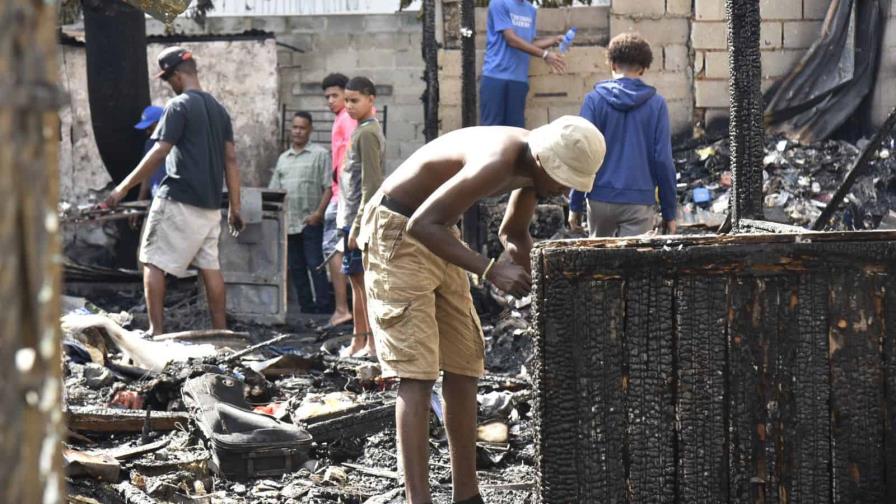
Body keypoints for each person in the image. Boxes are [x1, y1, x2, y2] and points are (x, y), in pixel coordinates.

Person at [357, 116, 605, 504]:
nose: (562, 189)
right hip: (398, 230)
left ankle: (467, 495)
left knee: (465, 363)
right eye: (561, 179)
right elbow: (421, 225)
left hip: (441, 232)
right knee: (418, 373)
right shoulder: (499, 159)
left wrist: (540, 280)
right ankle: (418, 499)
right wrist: (492, 270)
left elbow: (514, 233)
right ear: (543, 160)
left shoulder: (533, 171)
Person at [104, 46, 244, 335]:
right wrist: (235, 207)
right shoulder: (220, 111)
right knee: (210, 267)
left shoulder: (178, 106)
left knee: (151, 261)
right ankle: (221, 333)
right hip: (210, 206)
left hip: (178, 197)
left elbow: (159, 151)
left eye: (168, 79)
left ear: (177, 76)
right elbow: (231, 159)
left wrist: (122, 188)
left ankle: (155, 332)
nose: (169, 85)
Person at [568, 33, 677, 237]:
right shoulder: (657, 104)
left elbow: (582, 153)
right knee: (635, 258)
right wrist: (669, 212)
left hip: (599, 199)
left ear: (612, 64)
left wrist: (575, 203)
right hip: (639, 203)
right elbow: (662, 160)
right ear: (643, 69)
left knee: (598, 256)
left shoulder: (593, 100)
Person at [337, 76, 384, 358]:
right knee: (356, 281)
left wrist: (358, 225)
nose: (349, 106)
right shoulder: (361, 130)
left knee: (363, 282)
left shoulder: (367, 133)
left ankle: (369, 343)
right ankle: (360, 341)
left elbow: (372, 185)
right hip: (350, 216)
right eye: (347, 100)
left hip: (358, 219)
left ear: (371, 99)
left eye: (355, 100)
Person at [269, 111, 333, 314]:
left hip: (310, 221)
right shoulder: (283, 159)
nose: (297, 131)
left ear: (310, 130)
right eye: (295, 127)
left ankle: (324, 307)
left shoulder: (320, 155)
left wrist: (318, 214)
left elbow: (329, 187)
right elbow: (274, 191)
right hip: (289, 222)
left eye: (302, 128)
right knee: (296, 267)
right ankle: (306, 307)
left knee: (315, 264)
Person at [480, 0, 567, 127]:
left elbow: (528, 44)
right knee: (491, 130)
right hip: (496, 77)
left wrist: (554, 40)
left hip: (519, 79)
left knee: (515, 130)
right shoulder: (499, 3)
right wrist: (545, 55)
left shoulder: (530, 10)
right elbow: (511, 39)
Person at [321, 73, 354, 328]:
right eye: (327, 97)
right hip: (342, 192)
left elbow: (351, 155)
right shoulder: (343, 118)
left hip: (343, 194)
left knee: (334, 248)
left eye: (335, 95)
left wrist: (340, 180)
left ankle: (342, 309)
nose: (331, 101)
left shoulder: (347, 118)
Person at [134, 105, 166, 201]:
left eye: (150, 128)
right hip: (157, 200)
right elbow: (146, 175)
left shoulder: (178, 144)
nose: (148, 132)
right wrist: (140, 201)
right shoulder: (149, 144)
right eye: (146, 129)